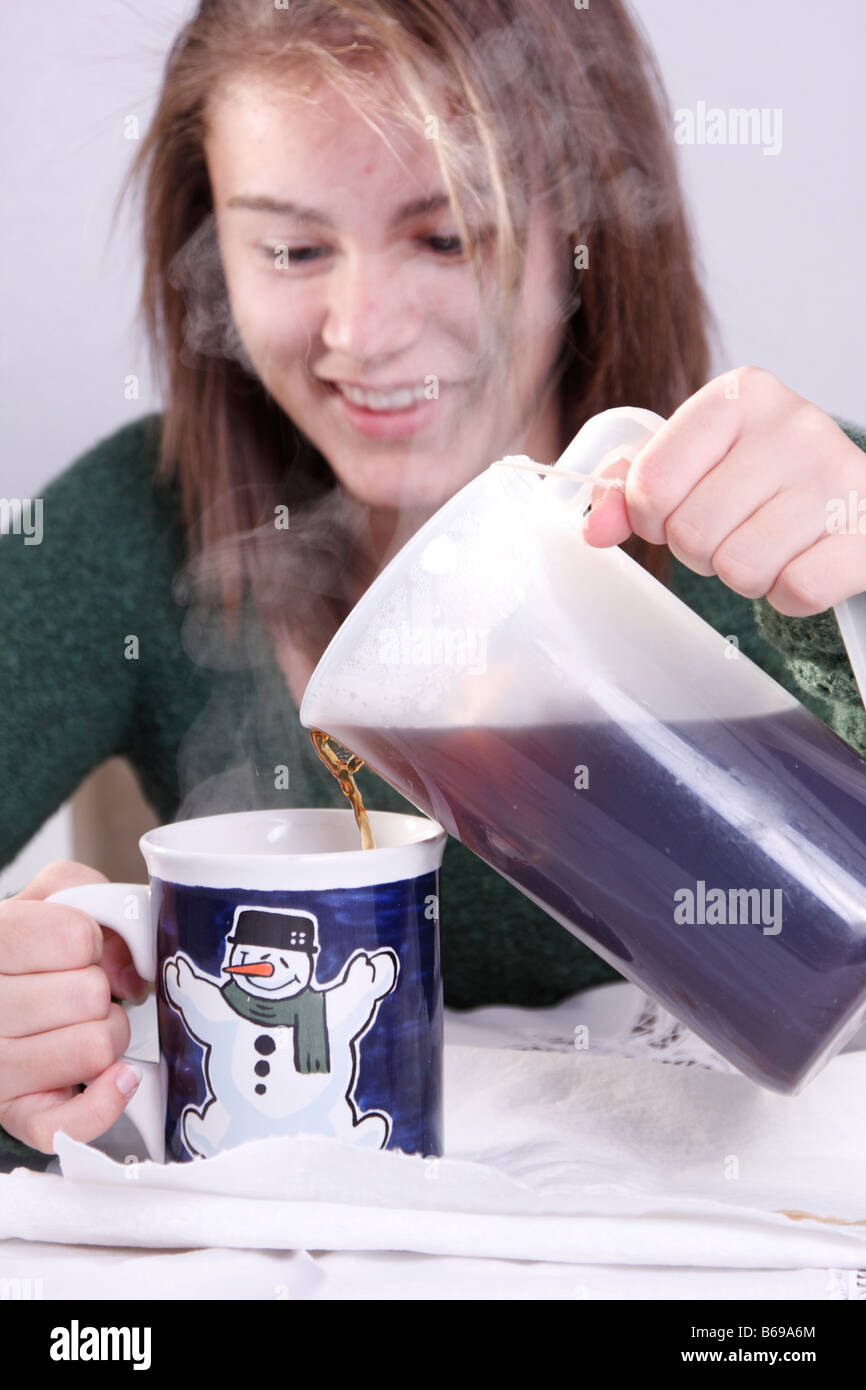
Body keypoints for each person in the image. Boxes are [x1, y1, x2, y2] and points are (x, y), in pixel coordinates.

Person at [1, 0, 864, 1169]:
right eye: (293, 249)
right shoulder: (136, 527)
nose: (360, 334)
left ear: (586, 226)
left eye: (448, 234)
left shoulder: (808, 514)